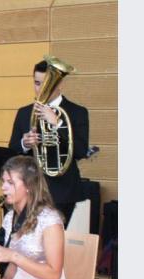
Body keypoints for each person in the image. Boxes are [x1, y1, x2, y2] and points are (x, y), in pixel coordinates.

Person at [9, 59, 90, 225]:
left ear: (60, 84)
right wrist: (24, 144)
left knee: (52, 243)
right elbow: (11, 151)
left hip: (62, 191)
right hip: (29, 188)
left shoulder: (77, 112)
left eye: (46, 84)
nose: (41, 89)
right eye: (37, 83)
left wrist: (58, 124)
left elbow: (81, 151)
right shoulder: (24, 113)